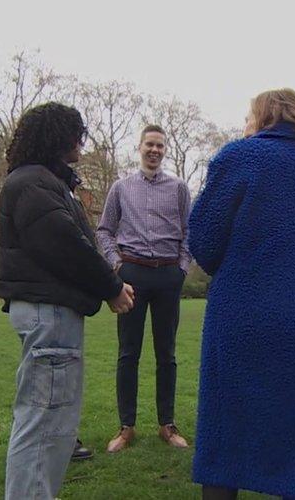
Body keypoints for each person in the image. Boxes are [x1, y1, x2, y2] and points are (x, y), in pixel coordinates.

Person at [189, 88, 295, 499]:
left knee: (228, 429)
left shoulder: (238, 157)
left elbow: (203, 240)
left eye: (248, 115)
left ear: (263, 117)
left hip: (244, 318)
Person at [0, 102, 135, 500]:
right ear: (59, 136)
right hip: (49, 315)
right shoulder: (34, 184)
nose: (81, 141)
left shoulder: (40, 182)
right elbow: (65, 245)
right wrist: (111, 286)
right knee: (44, 426)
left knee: (50, 423)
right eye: (77, 133)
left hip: (49, 313)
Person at [97, 124, 192, 453]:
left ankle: (167, 424)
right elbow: (104, 230)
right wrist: (117, 265)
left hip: (168, 275)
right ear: (139, 147)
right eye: (149, 144)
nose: (155, 150)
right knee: (128, 353)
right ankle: (126, 427)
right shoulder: (121, 188)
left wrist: (182, 267)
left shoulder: (179, 187)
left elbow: (189, 231)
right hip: (132, 275)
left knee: (167, 353)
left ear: (165, 150)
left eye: (160, 146)